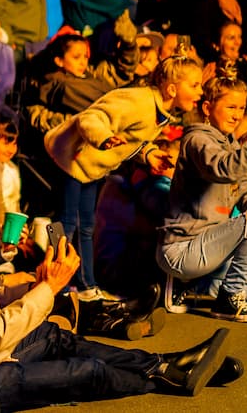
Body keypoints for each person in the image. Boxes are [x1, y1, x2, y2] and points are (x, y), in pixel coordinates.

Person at [0, 148, 241, 409]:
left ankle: (166, 364)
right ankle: (169, 373)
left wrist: (35, 284)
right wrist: (49, 289)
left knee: (50, 336)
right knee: (86, 373)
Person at [45, 54, 204, 301]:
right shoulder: (138, 102)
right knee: (66, 224)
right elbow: (91, 118)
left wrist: (149, 153)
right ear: (172, 89)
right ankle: (58, 286)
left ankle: (85, 285)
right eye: (194, 85)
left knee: (86, 226)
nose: (200, 91)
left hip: (89, 166)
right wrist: (103, 137)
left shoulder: (158, 110)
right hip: (70, 156)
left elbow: (134, 140)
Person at [158, 71, 247, 321]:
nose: (237, 114)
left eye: (242, 107)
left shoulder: (231, 145)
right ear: (208, 108)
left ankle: (205, 289)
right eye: (231, 106)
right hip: (182, 249)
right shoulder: (197, 140)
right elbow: (224, 168)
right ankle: (230, 297)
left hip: (211, 249)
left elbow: (243, 191)